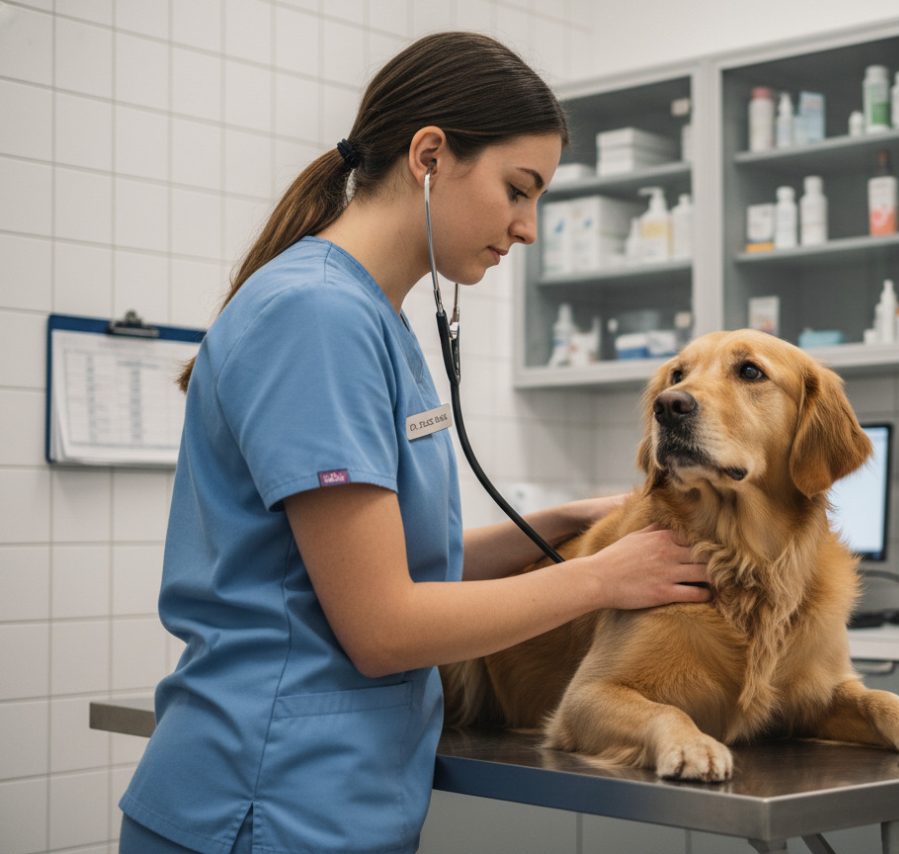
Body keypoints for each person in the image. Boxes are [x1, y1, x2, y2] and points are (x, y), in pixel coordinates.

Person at [117, 31, 711, 854]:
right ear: (430, 154)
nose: (528, 227)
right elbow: (384, 623)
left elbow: (399, 563)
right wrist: (600, 576)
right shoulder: (316, 318)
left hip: (333, 799)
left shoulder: (368, 319)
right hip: (267, 799)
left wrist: (568, 519)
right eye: (518, 188)